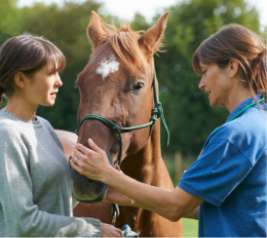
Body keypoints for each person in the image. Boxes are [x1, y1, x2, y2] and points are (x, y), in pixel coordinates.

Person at [70, 23, 267, 237]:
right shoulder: (259, 123)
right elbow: (216, 209)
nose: (201, 84)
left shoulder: (235, 136)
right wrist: (123, 193)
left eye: (205, 72)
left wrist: (106, 173)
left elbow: (175, 207)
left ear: (232, 67)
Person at [0, 34, 121, 237]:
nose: (60, 82)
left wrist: (104, 188)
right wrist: (93, 230)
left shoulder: (44, 126)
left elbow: (54, 201)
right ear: (20, 79)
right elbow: (22, 223)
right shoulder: (6, 133)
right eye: (51, 74)